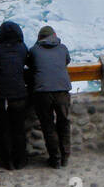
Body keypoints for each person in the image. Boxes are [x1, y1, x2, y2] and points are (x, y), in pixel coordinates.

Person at [26, 25, 72, 168]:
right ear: (54, 35)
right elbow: (67, 61)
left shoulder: (34, 50)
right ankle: (65, 156)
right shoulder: (63, 48)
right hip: (62, 90)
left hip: (42, 92)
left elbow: (30, 64)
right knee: (63, 123)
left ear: (39, 38)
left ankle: (55, 159)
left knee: (48, 125)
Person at [0, 20, 30, 169]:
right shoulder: (22, 48)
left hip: (1, 95)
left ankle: (7, 161)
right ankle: (20, 160)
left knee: (4, 129)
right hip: (19, 94)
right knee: (19, 129)